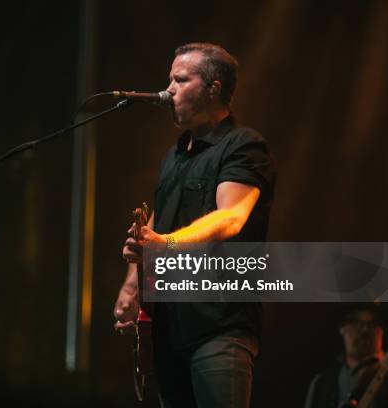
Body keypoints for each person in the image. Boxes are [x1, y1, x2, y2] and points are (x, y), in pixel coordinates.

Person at [113, 43, 276, 408]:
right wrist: (130, 287)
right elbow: (157, 222)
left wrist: (164, 244)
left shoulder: (243, 145)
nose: (168, 88)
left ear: (213, 88)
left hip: (220, 325)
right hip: (169, 331)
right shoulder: (173, 155)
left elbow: (231, 217)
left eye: (180, 79)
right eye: (169, 79)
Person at [304, 305, 388, 408]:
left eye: (372, 324)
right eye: (357, 323)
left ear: (381, 331)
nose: (365, 329)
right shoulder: (321, 383)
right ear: (342, 329)